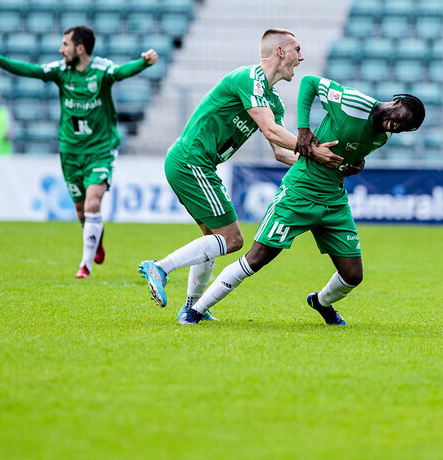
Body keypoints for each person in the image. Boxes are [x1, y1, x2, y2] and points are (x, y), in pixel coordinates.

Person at [177, 74, 425, 325]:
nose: (396, 126)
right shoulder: (353, 103)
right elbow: (309, 82)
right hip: (299, 193)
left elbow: (353, 151)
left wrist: (357, 164)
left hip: (334, 201)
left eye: (403, 128)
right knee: (256, 259)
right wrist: (303, 129)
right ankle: (195, 310)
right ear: (397, 102)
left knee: (353, 276)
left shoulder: (384, 135)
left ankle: (321, 302)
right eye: (400, 119)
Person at [138, 29, 344, 321]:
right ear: (280, 52)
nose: (302, 57)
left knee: (212, 237)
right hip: (191, 160)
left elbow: (281, 151)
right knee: (232, 239)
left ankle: (191, 308)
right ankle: (160, 267)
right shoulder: (248, 78)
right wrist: (314, 150)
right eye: (297, 49)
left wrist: (324, 164)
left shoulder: (273, 101)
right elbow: (271, 131)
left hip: (197, 164)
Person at [0, 25, 157, 277]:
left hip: (100, 149)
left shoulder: (101, 70)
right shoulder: (61, 71)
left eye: (65, 44)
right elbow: (32, 71)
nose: (60, 49)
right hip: (71, 151)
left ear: (80, 49)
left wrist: (144, 63)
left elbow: (120, 72)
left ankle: (85, 265)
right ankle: (97, 236)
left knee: (93, 202)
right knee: (81, 211)